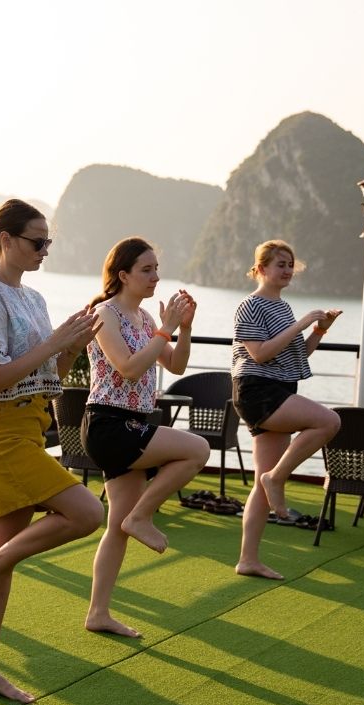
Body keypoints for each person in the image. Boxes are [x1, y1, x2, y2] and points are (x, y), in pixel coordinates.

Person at [0, 198, 105, 704]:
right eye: (36, 241)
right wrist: (52, 345)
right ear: (5, 239)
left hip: (28, 425)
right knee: (87, 512)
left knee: (6, 546)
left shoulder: (35, 301)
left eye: (49, 242)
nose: (44, 250)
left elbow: (48, 379)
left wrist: (70, 347)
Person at [81, 237, 210, 637]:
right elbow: (129, 369)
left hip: (131, 422)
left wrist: (182, 329)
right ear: (123, 275)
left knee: (116, 525)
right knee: (198, 449)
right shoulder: (105, 314)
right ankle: (143, 515)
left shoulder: (142, 319)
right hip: (109, 424)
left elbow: (176, 364)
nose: (156, 277)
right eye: (147, 270)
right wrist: (166, 327)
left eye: (157, 268)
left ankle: (98, 613)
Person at [230, 240, 342, 580]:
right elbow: (260, 354)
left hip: (279, 389)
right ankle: (277, 478)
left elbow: (296, 357)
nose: (288, 270)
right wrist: (302, 323)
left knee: (260, 487)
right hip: (257, 392)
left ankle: (248, 559)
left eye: (291, 264)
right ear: (261, 269)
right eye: (281, 264)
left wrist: (319, 331)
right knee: (328, 421)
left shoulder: (283, 308)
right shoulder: (250, 306)